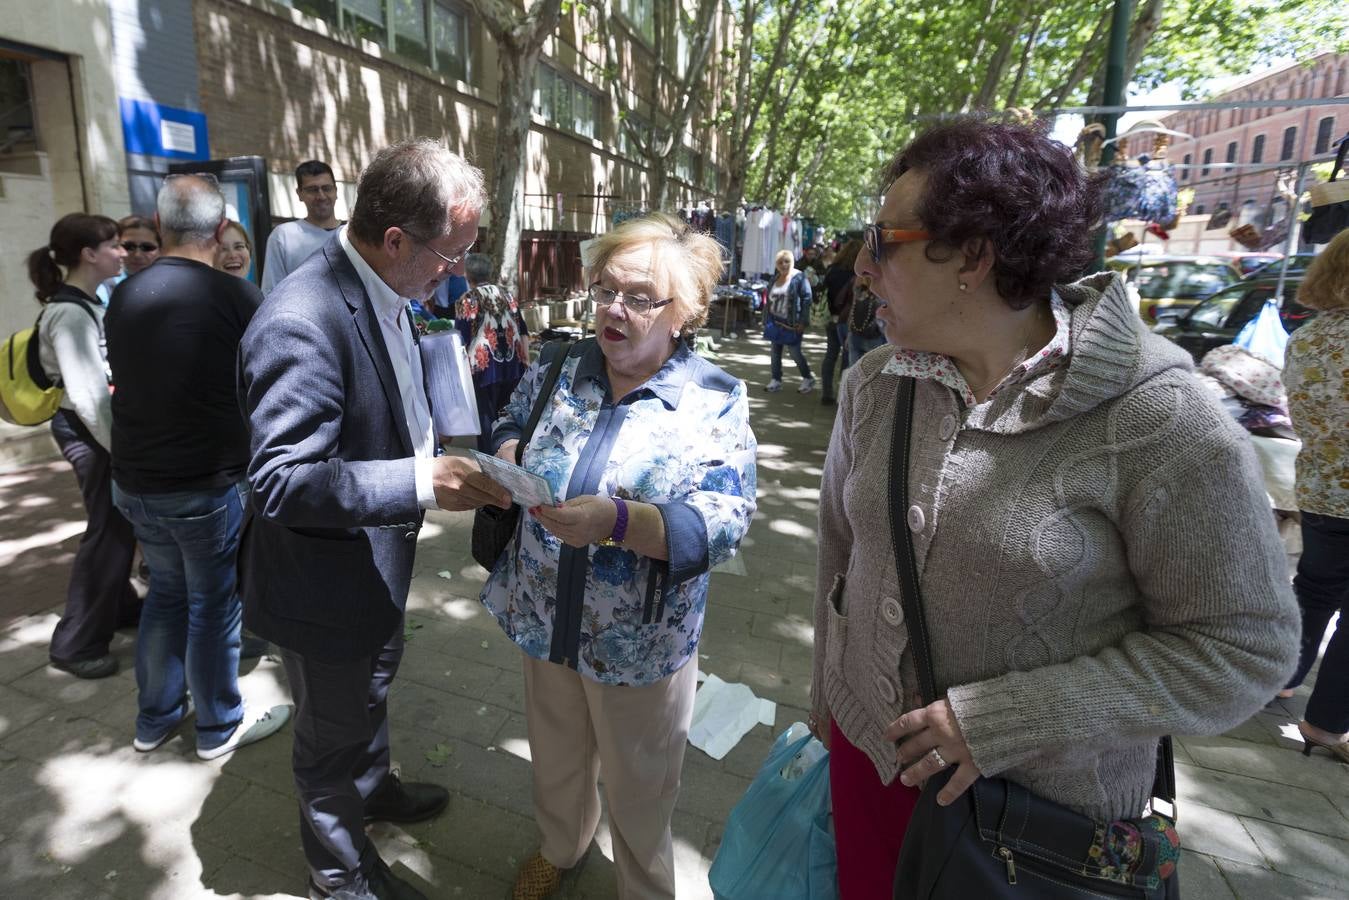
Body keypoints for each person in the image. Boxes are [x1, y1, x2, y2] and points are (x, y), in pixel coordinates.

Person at [810, 117, 1300, 898]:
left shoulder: (1161, 420)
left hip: (1034, 827)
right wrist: (826, 703)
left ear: (972, 256)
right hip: (867, 767)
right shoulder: (876, 384)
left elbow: (1243, 648)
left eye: (881, 239)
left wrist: (1003, 718)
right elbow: (841, 554)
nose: (860, 269)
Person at [239, 139, 511, 900]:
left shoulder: (390, 290)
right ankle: (341, 876)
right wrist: (423, 478)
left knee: (370, 690)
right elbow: (281, 481)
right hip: (319, 585)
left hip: (373, 564)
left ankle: (372, 787)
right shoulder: (300, 318)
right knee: (327, 740)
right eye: (449, 254)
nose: (453, 271)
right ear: (395, 240)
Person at [481, 213, 757, 900]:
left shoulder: (712, 399)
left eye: (638, 297)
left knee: (642, 787)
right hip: (543, 614)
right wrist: (510, 454)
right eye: (605, 289)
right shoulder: (558, 363)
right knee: (557, 759)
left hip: (640, 643)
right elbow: (512, 418)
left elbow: (722, 521)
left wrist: (619, 522)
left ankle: (643, 887)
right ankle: (561, 846)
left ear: (683, 313)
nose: (612, 309)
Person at [106, 175, 290, 759]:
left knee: (165, 592)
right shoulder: (237, 297)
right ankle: (217, 726)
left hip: (136, 479)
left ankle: (154, 717)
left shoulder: (126, 294)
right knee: (212, 602)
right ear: (217, 230)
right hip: (203, 483)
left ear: (159, 227)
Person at [27, 214, 139, 679]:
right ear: (88, 254)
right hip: (90, 433)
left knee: (114, 526)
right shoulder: (71, 313)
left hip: (91, 431)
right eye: (113, 245)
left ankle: (119, 608)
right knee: (108, 530)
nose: (123, 252)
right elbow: (90, 399)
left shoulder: (85, 303)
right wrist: (122, 453)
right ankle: (75, 642)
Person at [1277, 228, 1349, 762]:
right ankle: (1326, 724)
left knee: (1315, 588)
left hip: (1321, 488)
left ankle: (1279, 679)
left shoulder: (1309, 336)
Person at [454, 252, 530, 451]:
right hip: (514, 365)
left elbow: (460, 340)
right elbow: (523, 331)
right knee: (509, 418)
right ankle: (509, 459)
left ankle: (489, 464)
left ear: (467, 275)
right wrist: (526, 361)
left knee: (485, 420)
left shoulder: (467, 300)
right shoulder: (507, 294)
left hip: (484, 367)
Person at [260, 159, 342, 295]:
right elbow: (271, 292)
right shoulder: (283, 236)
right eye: (313, 190)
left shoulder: (352, 234)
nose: (321, 196)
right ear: (299, 194)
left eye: (326, 188)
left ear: (336, 191)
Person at [764, 249, 815, 393]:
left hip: (792, 323)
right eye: (780, 262)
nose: (784, 264)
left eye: (787, 261)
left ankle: (808, 378)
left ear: (792, 262)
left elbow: (807, 299)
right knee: (775, 352)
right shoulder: (774, 279)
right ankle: (776, 380)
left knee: (795, 353)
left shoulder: (799, 277)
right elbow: (769, 301)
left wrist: (803, 321)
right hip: (775, 322)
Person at [819, 240, 862, 405]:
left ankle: (827, 393)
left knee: (830, 355)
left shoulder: (832, 270)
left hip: (831, 319)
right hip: (849, 321)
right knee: (847, 358)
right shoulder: (858, 274)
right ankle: (842, 396)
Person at [97, 215, 160, 303]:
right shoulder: (103, 289)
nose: (137, 255)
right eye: (129, 246)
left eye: (147, 247)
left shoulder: (174, 285)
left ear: (161, 249)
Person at [846, 275, 886, 363]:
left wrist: (849, 333)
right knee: (872, 369)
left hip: (855, 333)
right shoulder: (881, 294)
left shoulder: (858, 292)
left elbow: (852, 311)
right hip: (873, 335)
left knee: (853, 369)